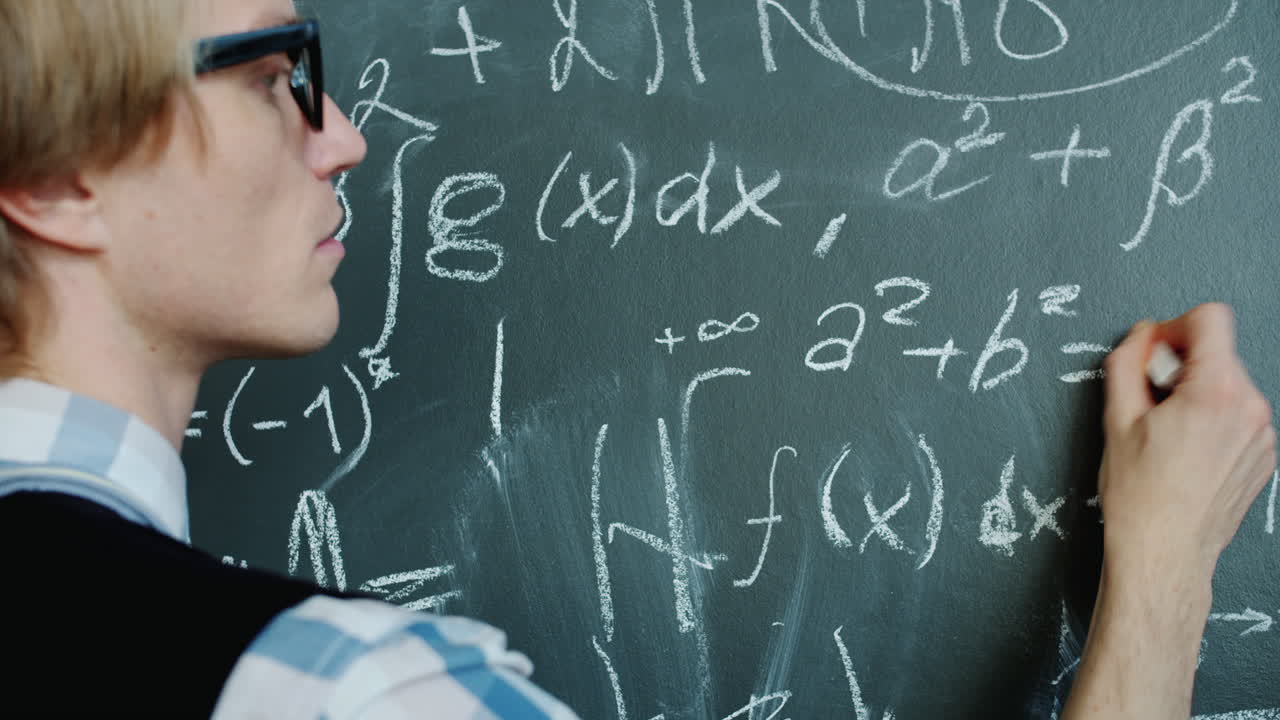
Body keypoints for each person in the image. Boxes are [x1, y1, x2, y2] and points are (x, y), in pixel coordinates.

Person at [0, 1, 1271, 718]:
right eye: (274, 75)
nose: (341, 136)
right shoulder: (344, 693)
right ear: (60, 178)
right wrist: (1160, 575)